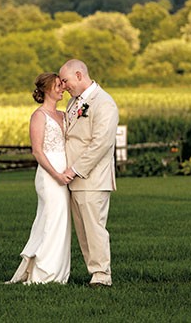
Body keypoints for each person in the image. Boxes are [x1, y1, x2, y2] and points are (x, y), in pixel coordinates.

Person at [58, 58, 119, 287]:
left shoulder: (104, 103)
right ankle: (94, 272)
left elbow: (101, 144)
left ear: (79, 75)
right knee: (83, 232)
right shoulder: (74, 103)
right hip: (73, 179)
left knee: (94, 229)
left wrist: (74, 169)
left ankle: (102, 276)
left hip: (92, 177)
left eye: (65, 80)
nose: (63, 86)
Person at [7, 72, 71, 284]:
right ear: (46, 90)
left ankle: (58, 272)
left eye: (62, 84)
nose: (62, 88)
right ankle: (44, 273)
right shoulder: (38, 116)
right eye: (57, 85)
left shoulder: (64, 115)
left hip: (66, 173)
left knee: (62, 222)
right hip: (49, 174)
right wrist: (57, 175)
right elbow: (37, 151)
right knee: (51, 220)